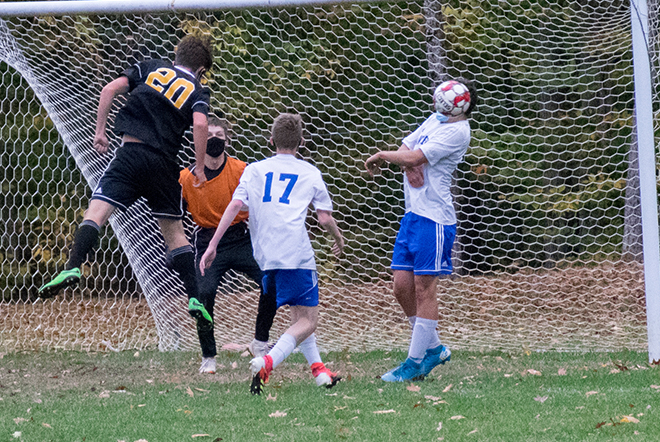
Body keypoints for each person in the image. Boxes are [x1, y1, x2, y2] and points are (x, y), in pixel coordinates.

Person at [38, 35, 214, 325]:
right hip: (164, 165)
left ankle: (73, 265)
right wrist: (198, 167)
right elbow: (200, 123)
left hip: (130, 154)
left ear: (176, 57)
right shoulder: (197, 90)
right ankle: (194, 296)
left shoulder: (152, 68)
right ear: (200, 70)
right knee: (175, 235)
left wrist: (100, 131)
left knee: (97, 211)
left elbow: (109, 89)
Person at [200, 113, 345, 394]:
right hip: (297, 254)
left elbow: (234, 206)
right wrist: (338, 238)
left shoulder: (254, 170)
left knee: (297, 316)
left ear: (271, 141)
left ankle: (319, 372)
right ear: (301, 142)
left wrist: (213, 244)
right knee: (309, 321)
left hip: (265, 255)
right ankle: (268, 360)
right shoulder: (310, 172)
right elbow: (325, 219)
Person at [364, 78, 476, 383]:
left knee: (424, 289)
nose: (435, 104)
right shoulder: (436, 120)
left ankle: (413, 363)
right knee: (401, 287)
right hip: (413, 215)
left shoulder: (457, 131)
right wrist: (407, 163)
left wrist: (388, 157)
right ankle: (435, 348)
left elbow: (413, 155)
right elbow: (410, 146)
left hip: (435, 219)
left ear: (456, 105)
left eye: (441, 100)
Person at [179, 116, 278, 374]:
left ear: (228, 141)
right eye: (207, 135)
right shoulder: (186, 179)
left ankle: (260, 341)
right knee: (204, 295)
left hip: (242, 237)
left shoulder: (242, 170)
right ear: (197, 142)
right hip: (208, 241)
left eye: (219, 136)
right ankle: (208, 356)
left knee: (272, 282)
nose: (213, 140)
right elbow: (176, 216)